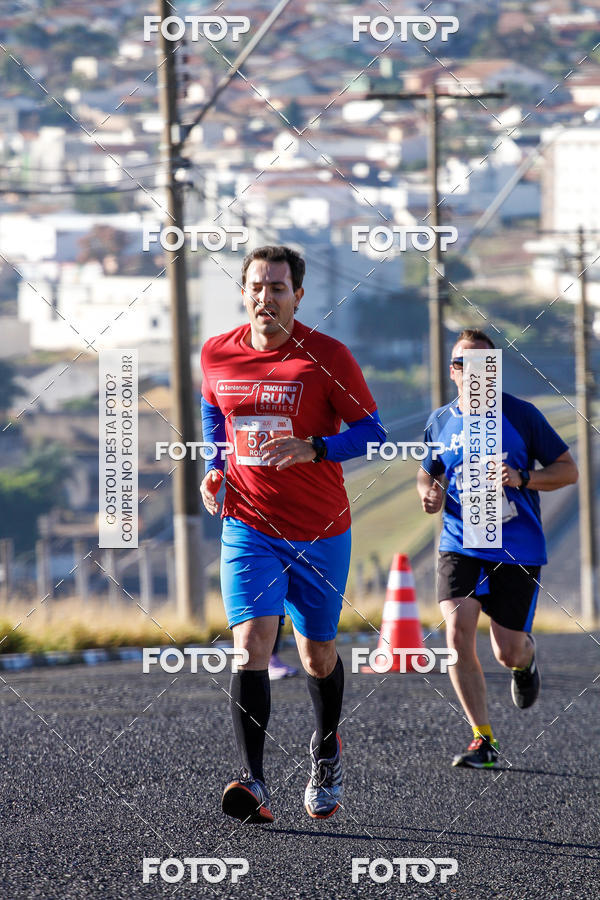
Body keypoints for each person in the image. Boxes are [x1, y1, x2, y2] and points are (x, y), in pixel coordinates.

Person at [200, 245, 386, 822]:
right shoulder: (216, 353)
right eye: (256, 286)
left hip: (319, 530)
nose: (265, 297)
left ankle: (326, 748)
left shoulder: (327, 357)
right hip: (249, 526)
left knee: (317, 653)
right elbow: (214, 412)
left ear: (297, 296)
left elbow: (373, 432)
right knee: (252, 643)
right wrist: (214, 465)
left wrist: (316, 448)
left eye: (277, 288)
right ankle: (254, 782)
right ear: (244, 291)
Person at [417, 329, 578, 768]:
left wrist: (522, 478)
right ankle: (482, 739)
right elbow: (426, 470)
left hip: (516, 548)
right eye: (461, 365)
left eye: (481, 365)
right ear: (452, 372)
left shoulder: (522, 416)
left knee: (506, 649)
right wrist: (428, 491)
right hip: (460, 541)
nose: (470, 374)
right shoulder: (440, 420)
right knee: (457, 634)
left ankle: (525, 662)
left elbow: (568, 472)